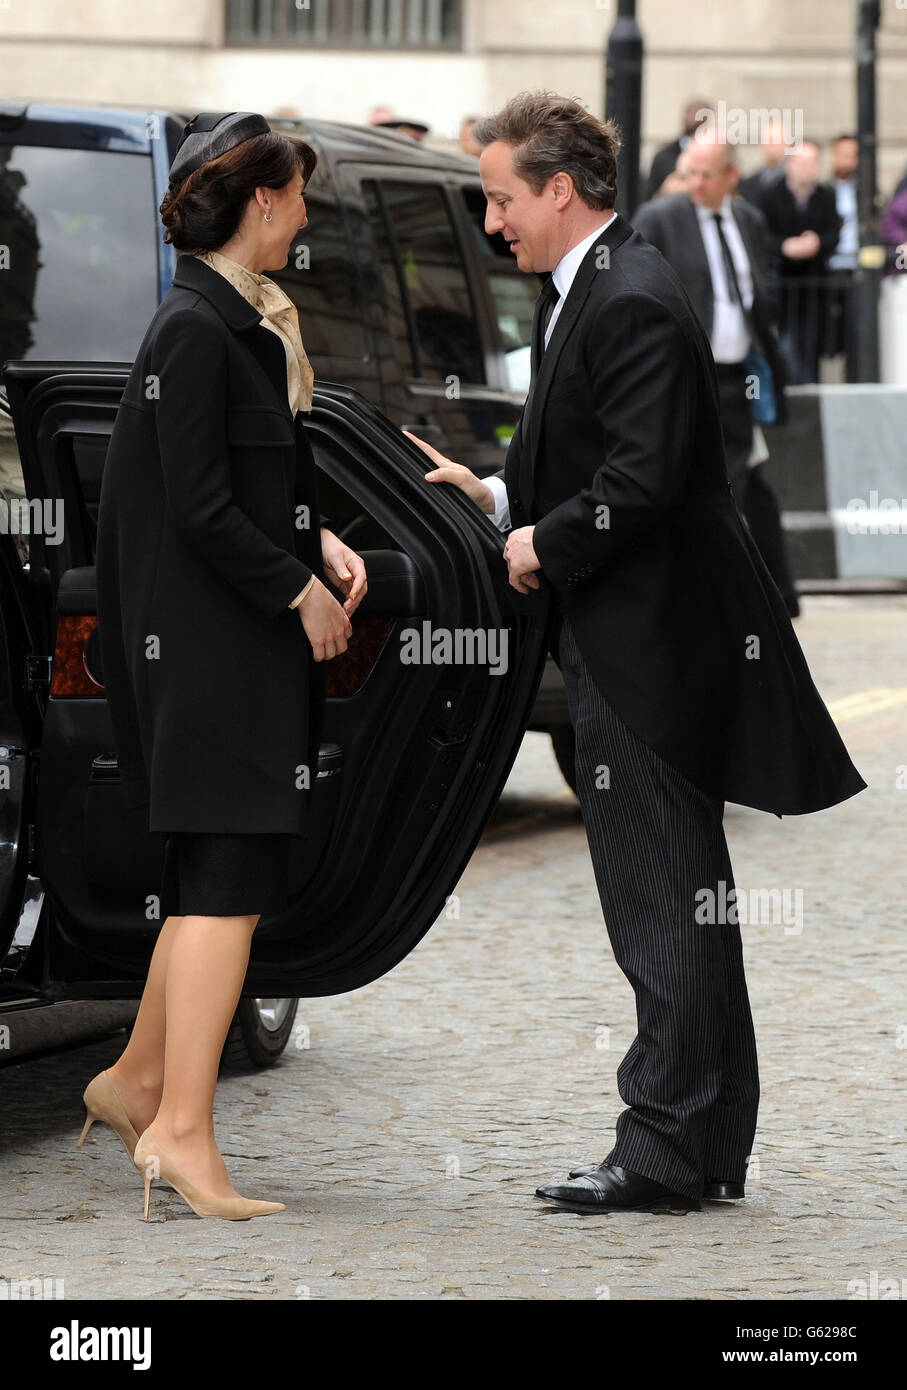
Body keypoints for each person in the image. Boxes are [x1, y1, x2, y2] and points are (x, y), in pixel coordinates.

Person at [405, 89, 865, 1214]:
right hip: (631, 639)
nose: (492, 220)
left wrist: (536, 546)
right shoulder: (594, 291)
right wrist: (502, 492)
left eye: (502, 198)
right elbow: (593, 456)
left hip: (648, 653)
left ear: (559, 191)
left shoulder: (631, 294)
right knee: (682, 898)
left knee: (662, 901)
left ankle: (663, 1147)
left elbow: (640, 488)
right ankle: (702, 1143)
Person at [90, 112, 367, 1221]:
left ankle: (137, 1082)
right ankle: (183, 1136)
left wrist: (321, 540)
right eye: (298, 194)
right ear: (261, 203)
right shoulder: (200, 329)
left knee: (218, 877)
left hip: (219, 648)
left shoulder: (232, 320)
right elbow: (200, 506)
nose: (307, 212)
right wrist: (297, 589)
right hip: (213, 654)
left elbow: (247, 486)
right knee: (229, 884)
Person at [632, 134, 800, 617]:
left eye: (707, 174)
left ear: (731, 176)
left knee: (738, 480)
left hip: (741, 376)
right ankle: (709, 592)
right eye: (689, 173)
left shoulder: (748, 219)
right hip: (687, 377)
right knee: (700, 480)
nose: (696, 184)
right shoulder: (661, 218)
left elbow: (760, 288)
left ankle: (737, 592)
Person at [758, 140, 842, 382]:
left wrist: (816, 242)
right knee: (786, 347)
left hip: (815, 288)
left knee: (812, 347)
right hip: (781, 286)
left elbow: (834, 234)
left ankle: (809, 399)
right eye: (801, 162)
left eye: (812, 162)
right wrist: (785, 246)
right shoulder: (770, 194)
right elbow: (761, 236)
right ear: (790, 164)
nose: (807, 168)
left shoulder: (827, 195)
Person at [826, 134, 860, 378]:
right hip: (829, 268)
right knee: (828, 331)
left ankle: (856, 377)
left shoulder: (867, 189)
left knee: (856, 331)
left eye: (853, 154)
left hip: (857, 268)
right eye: (843, 153)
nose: (848, 159)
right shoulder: (824, 190)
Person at [641, 96, 713, 203]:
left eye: (697, 112)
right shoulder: (663, 156)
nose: (690, 117)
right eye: (688, 112)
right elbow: (649, 196)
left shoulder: (716, 156)